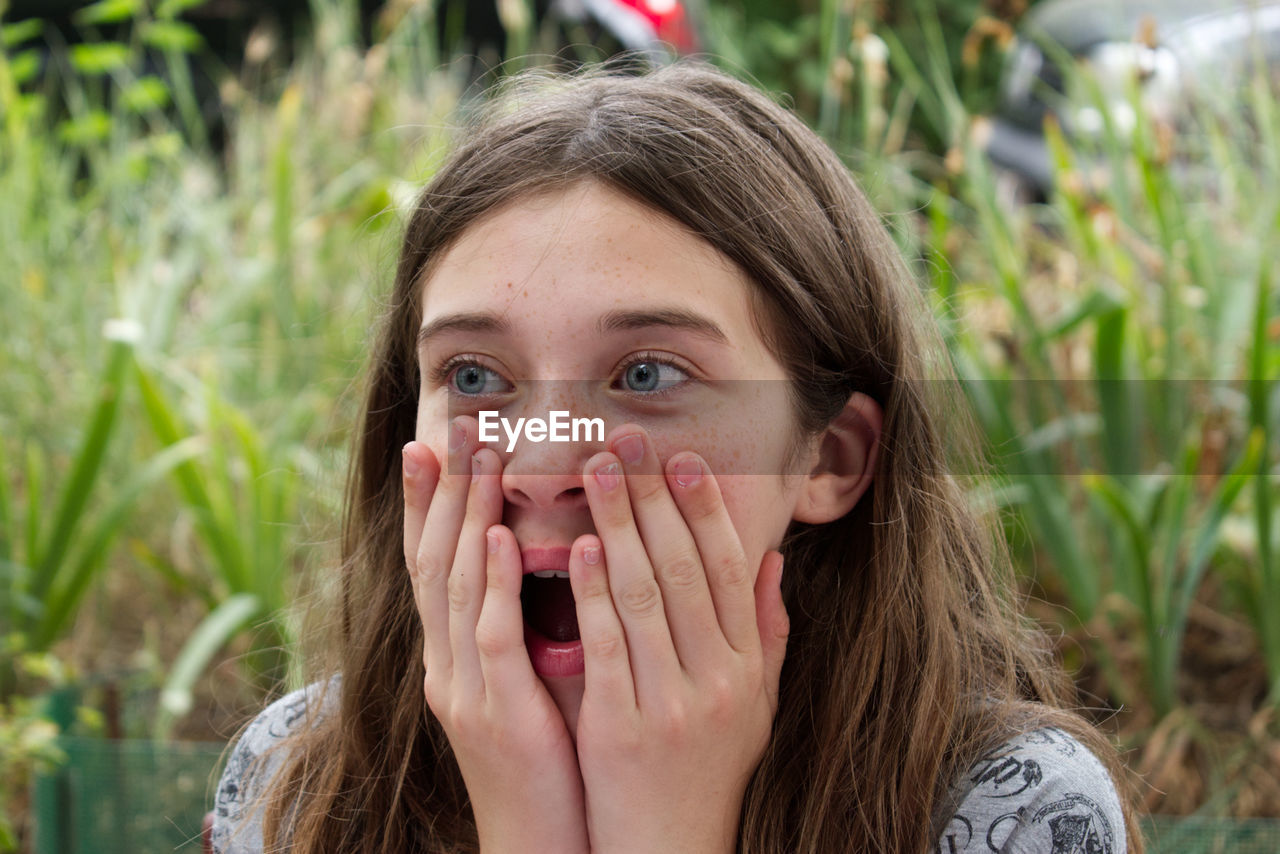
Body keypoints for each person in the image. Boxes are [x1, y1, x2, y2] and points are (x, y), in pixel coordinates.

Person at [210, 60, 1143, 853]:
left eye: (647, 374)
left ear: (829, 458)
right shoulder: (288, 785)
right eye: (475, 376)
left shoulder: (1011, 811)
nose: (540, 466)